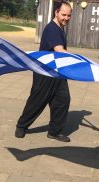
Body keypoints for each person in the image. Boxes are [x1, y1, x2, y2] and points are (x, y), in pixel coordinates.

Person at [15, 1, 72, 142]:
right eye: (64, 15)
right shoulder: (52, 29)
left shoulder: (60, 28)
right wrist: (78, 60)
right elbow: (59, 50)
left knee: (62, 100)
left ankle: (54, 131)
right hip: (45, 73)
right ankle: (21, 126)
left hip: (57, 72)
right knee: (37, 100)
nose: (66, 18)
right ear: (56, 13)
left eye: (69, 15)